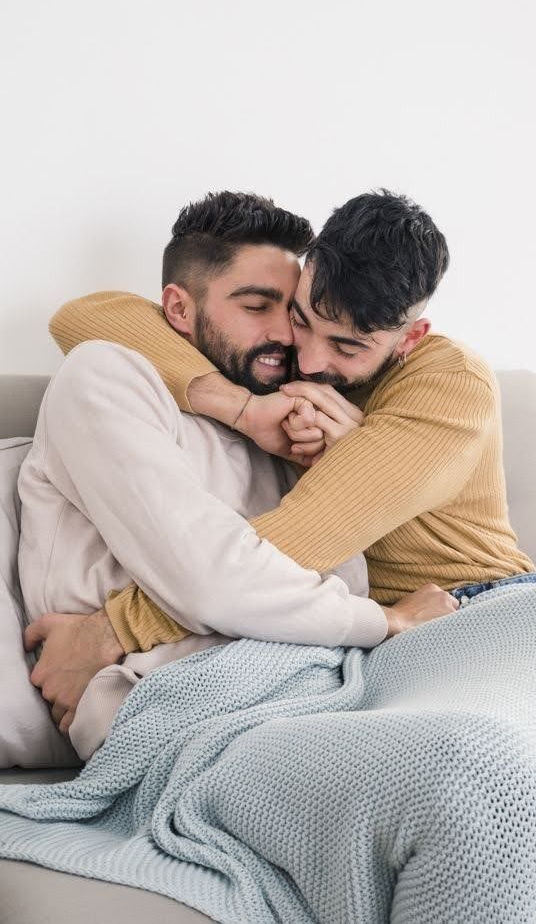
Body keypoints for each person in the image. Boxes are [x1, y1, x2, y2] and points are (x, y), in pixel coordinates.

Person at [19, 192, 460, 757]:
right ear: (178, 310)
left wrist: (337, 455)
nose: (290, 338)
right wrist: (386, 622)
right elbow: (213, 581)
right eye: (259, 307)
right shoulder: (107, 378)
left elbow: (337, 574)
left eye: (293, 310)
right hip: (167, 706)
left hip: (316, 689)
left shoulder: (293, 416)